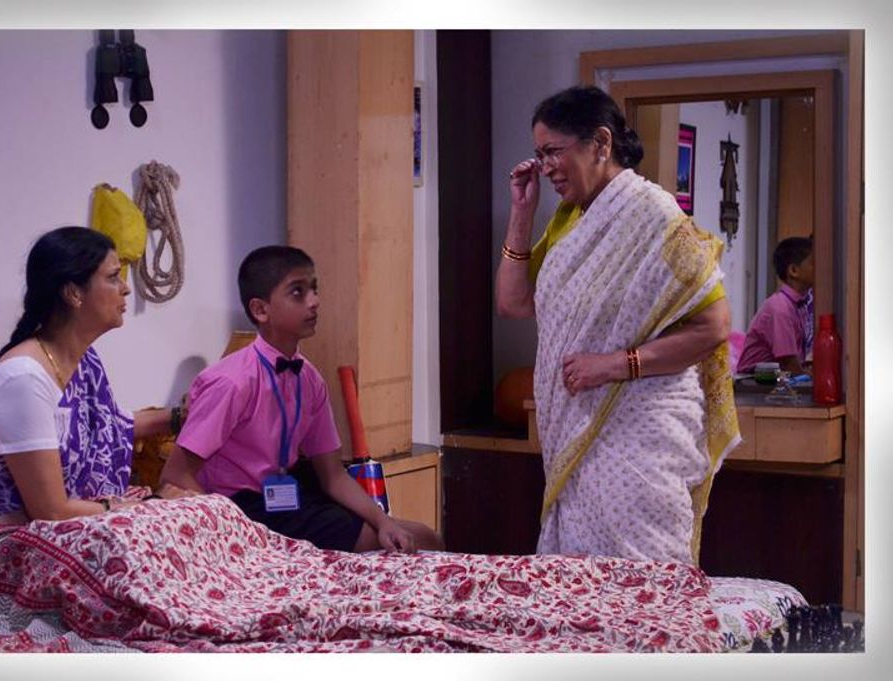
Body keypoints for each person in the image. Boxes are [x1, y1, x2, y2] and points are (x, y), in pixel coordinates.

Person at [495, 86, 739, 565]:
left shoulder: (656, 217)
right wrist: (522, 213)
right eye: (540, 155)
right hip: (577, 429)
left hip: (640, 434)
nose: (546, 167)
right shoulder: (570, 220)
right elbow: (513, 302)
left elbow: (714, 326)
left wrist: (615, 365)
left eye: (554, 152)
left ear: (601, 143)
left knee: (642, 576)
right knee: (580, 581)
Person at [159, 245, 443, 554]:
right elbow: (176, 474)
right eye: (298, 292)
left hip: (287, 498)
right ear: (261, 310)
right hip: (240, 507)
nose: (314, 301)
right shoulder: (232, 382)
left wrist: (383, 520)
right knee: (401, 545)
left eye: (314, 289)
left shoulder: (309, 378)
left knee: (423, 536)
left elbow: (333, 475)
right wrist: (233, 531)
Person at [0, 226, 184, 550]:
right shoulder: (22, 380)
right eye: (113, 277)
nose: (125, 289)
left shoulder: (84, 363)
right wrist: (143, 507)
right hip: (3, 542)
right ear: (73, 293)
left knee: (199, 510)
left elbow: (111, 427)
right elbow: (51, 511)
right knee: (160, 528)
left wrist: (181, 416)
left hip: (61, 525)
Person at [736, 236, 814, 375]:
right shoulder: (780, 308)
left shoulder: (799, 304)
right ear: (793, 270)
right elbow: (788, 364)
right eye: (813, 263)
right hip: (754, 382)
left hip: (774, 378)